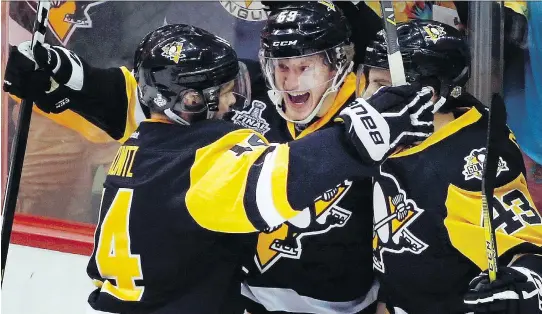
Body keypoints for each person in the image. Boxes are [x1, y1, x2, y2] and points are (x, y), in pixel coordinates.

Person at [3, 23, 436, 313]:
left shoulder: (144, 140)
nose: (234, 102)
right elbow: (271, 184)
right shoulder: (203, 160)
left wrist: (68, 76)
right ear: (192, 101)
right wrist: (358, 139)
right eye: (225, 91)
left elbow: (144, 93)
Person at [359, 19, 542, 314]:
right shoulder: (393, 136)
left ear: (428, 95)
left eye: (381, 86)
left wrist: (527, 279)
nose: (367, 99)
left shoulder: (466, 160)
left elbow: (524, 246)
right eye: (367, 82)